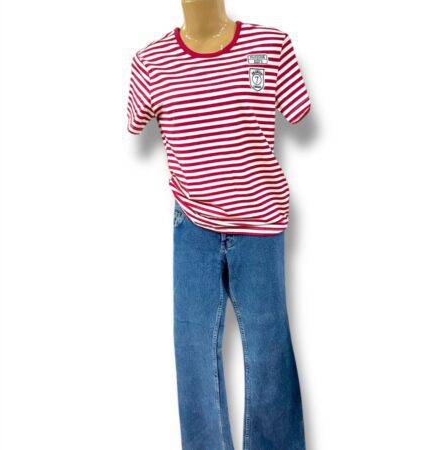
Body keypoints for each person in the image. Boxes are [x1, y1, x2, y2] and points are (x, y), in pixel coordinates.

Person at [126, 3, 311, 448]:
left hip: (260, 223)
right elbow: (134, 122)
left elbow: (299, 112)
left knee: (268, 352)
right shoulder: (150, 63)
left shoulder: (270, 46)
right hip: (193, 226)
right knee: (193, 355)